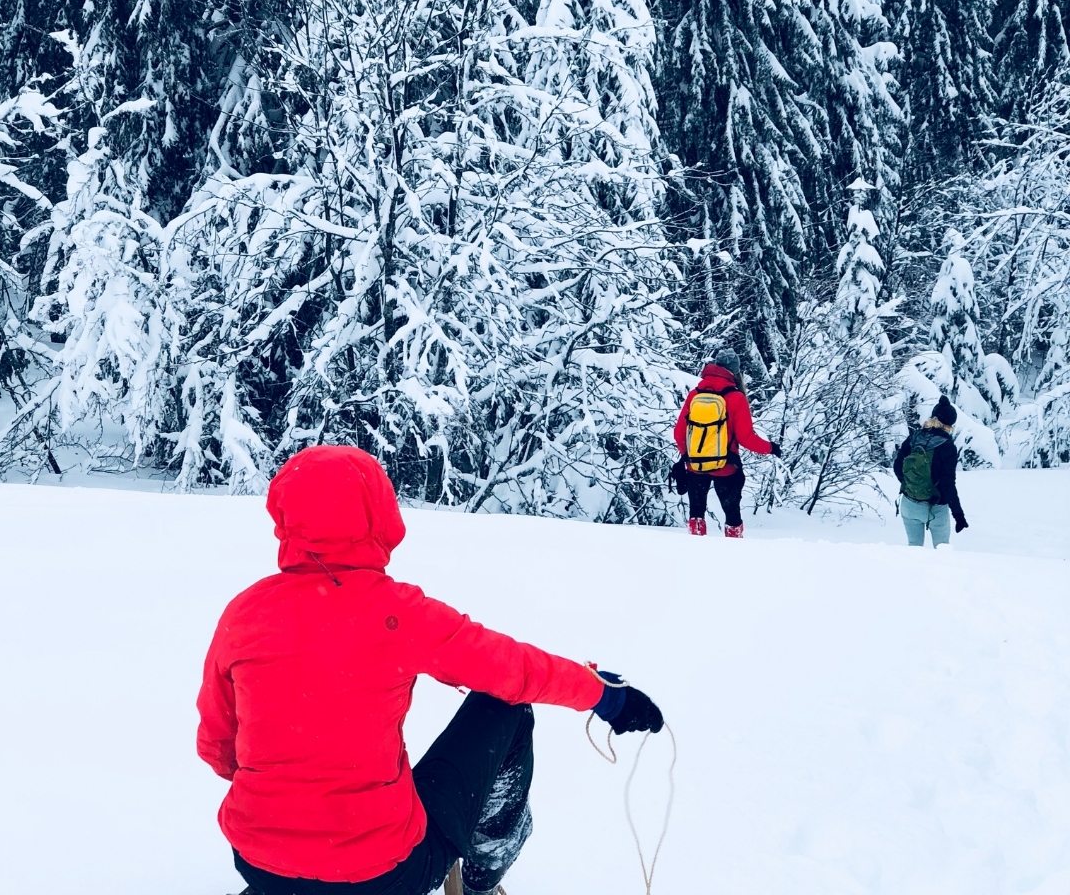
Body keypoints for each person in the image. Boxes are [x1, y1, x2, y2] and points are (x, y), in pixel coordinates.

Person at [197, 445, 664, 895]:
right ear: (379, 514)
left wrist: (292, 806)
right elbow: (514, 670)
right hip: (383, 878)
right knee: (508, 711)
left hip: (258, 863)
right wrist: (608, 697)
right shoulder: (399, 614)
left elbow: (217, 748)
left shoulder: (245, 614)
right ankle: (482, 880)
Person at [672, 348, 780, 537]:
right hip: (726, 466)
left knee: (696, 514)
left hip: (695, 465)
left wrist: (688, 455)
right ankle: (734, 551)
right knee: (732, 515)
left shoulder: (696, 394)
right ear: (735, 371)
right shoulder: (736, 397)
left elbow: (679, 432)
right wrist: (770, 448)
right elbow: (746, 438)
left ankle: (694, 549)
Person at [892, 396, 968, 547]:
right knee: (941, 552)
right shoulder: (947, 446)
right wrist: (958, 514)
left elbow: (897, 466)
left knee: (914, 550)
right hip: (936, 508)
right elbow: (947, 484)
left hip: (909, 503)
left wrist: (912, 485)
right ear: (950, 423)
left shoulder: (914, 438)